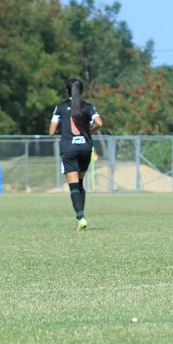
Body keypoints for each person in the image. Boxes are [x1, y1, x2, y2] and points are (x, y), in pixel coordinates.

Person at [49, 78, 103, 231]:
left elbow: (51, 132)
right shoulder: (88, 106)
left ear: (67, 91)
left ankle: (80, 217)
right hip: (85, 147)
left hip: (69, 148)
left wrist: (62, 128)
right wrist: (88, 131)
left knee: (73, 186)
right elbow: (99, 123)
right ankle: (81, 217)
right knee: (80, 184)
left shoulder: (60, 107)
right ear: (81, 91)